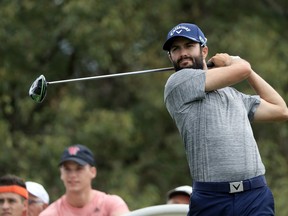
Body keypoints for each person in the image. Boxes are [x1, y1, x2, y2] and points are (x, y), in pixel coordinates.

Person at [162, 23, 288, 215]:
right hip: (211, 199)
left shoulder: (234, 95)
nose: (183, 53)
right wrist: (235, 62)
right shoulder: (177, 84)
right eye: (175, 49)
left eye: (189, 46)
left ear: (204, 51)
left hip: (254, 195)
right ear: (170, 57)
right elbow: (242, 69)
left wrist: (249, 72)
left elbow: (281, 110)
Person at [39, 144, 130, 216]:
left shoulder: (111, 204)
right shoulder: (51, 213)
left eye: (79, 169)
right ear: (61, 174)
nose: (73, 175)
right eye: (67, 169)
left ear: (93, 172)